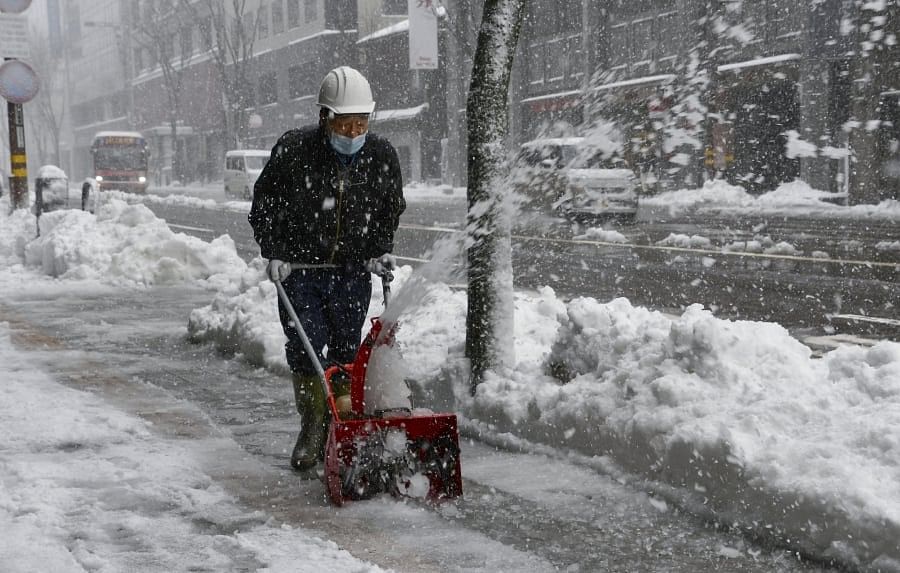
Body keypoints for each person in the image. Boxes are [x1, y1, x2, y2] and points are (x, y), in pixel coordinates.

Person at [248, 66, 405, 472]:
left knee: (345, 349)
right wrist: (275, 251)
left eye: (361, 123)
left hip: (350, 271)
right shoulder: (295, 150)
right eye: (344, 123)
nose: (353, 133)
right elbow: (264, 204)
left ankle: (344, 425)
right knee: (306, 346)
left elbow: (390, 208)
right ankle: (314, 424)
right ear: (324, 118)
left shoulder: (381, 155)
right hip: (301, 271)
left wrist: (379, 250)